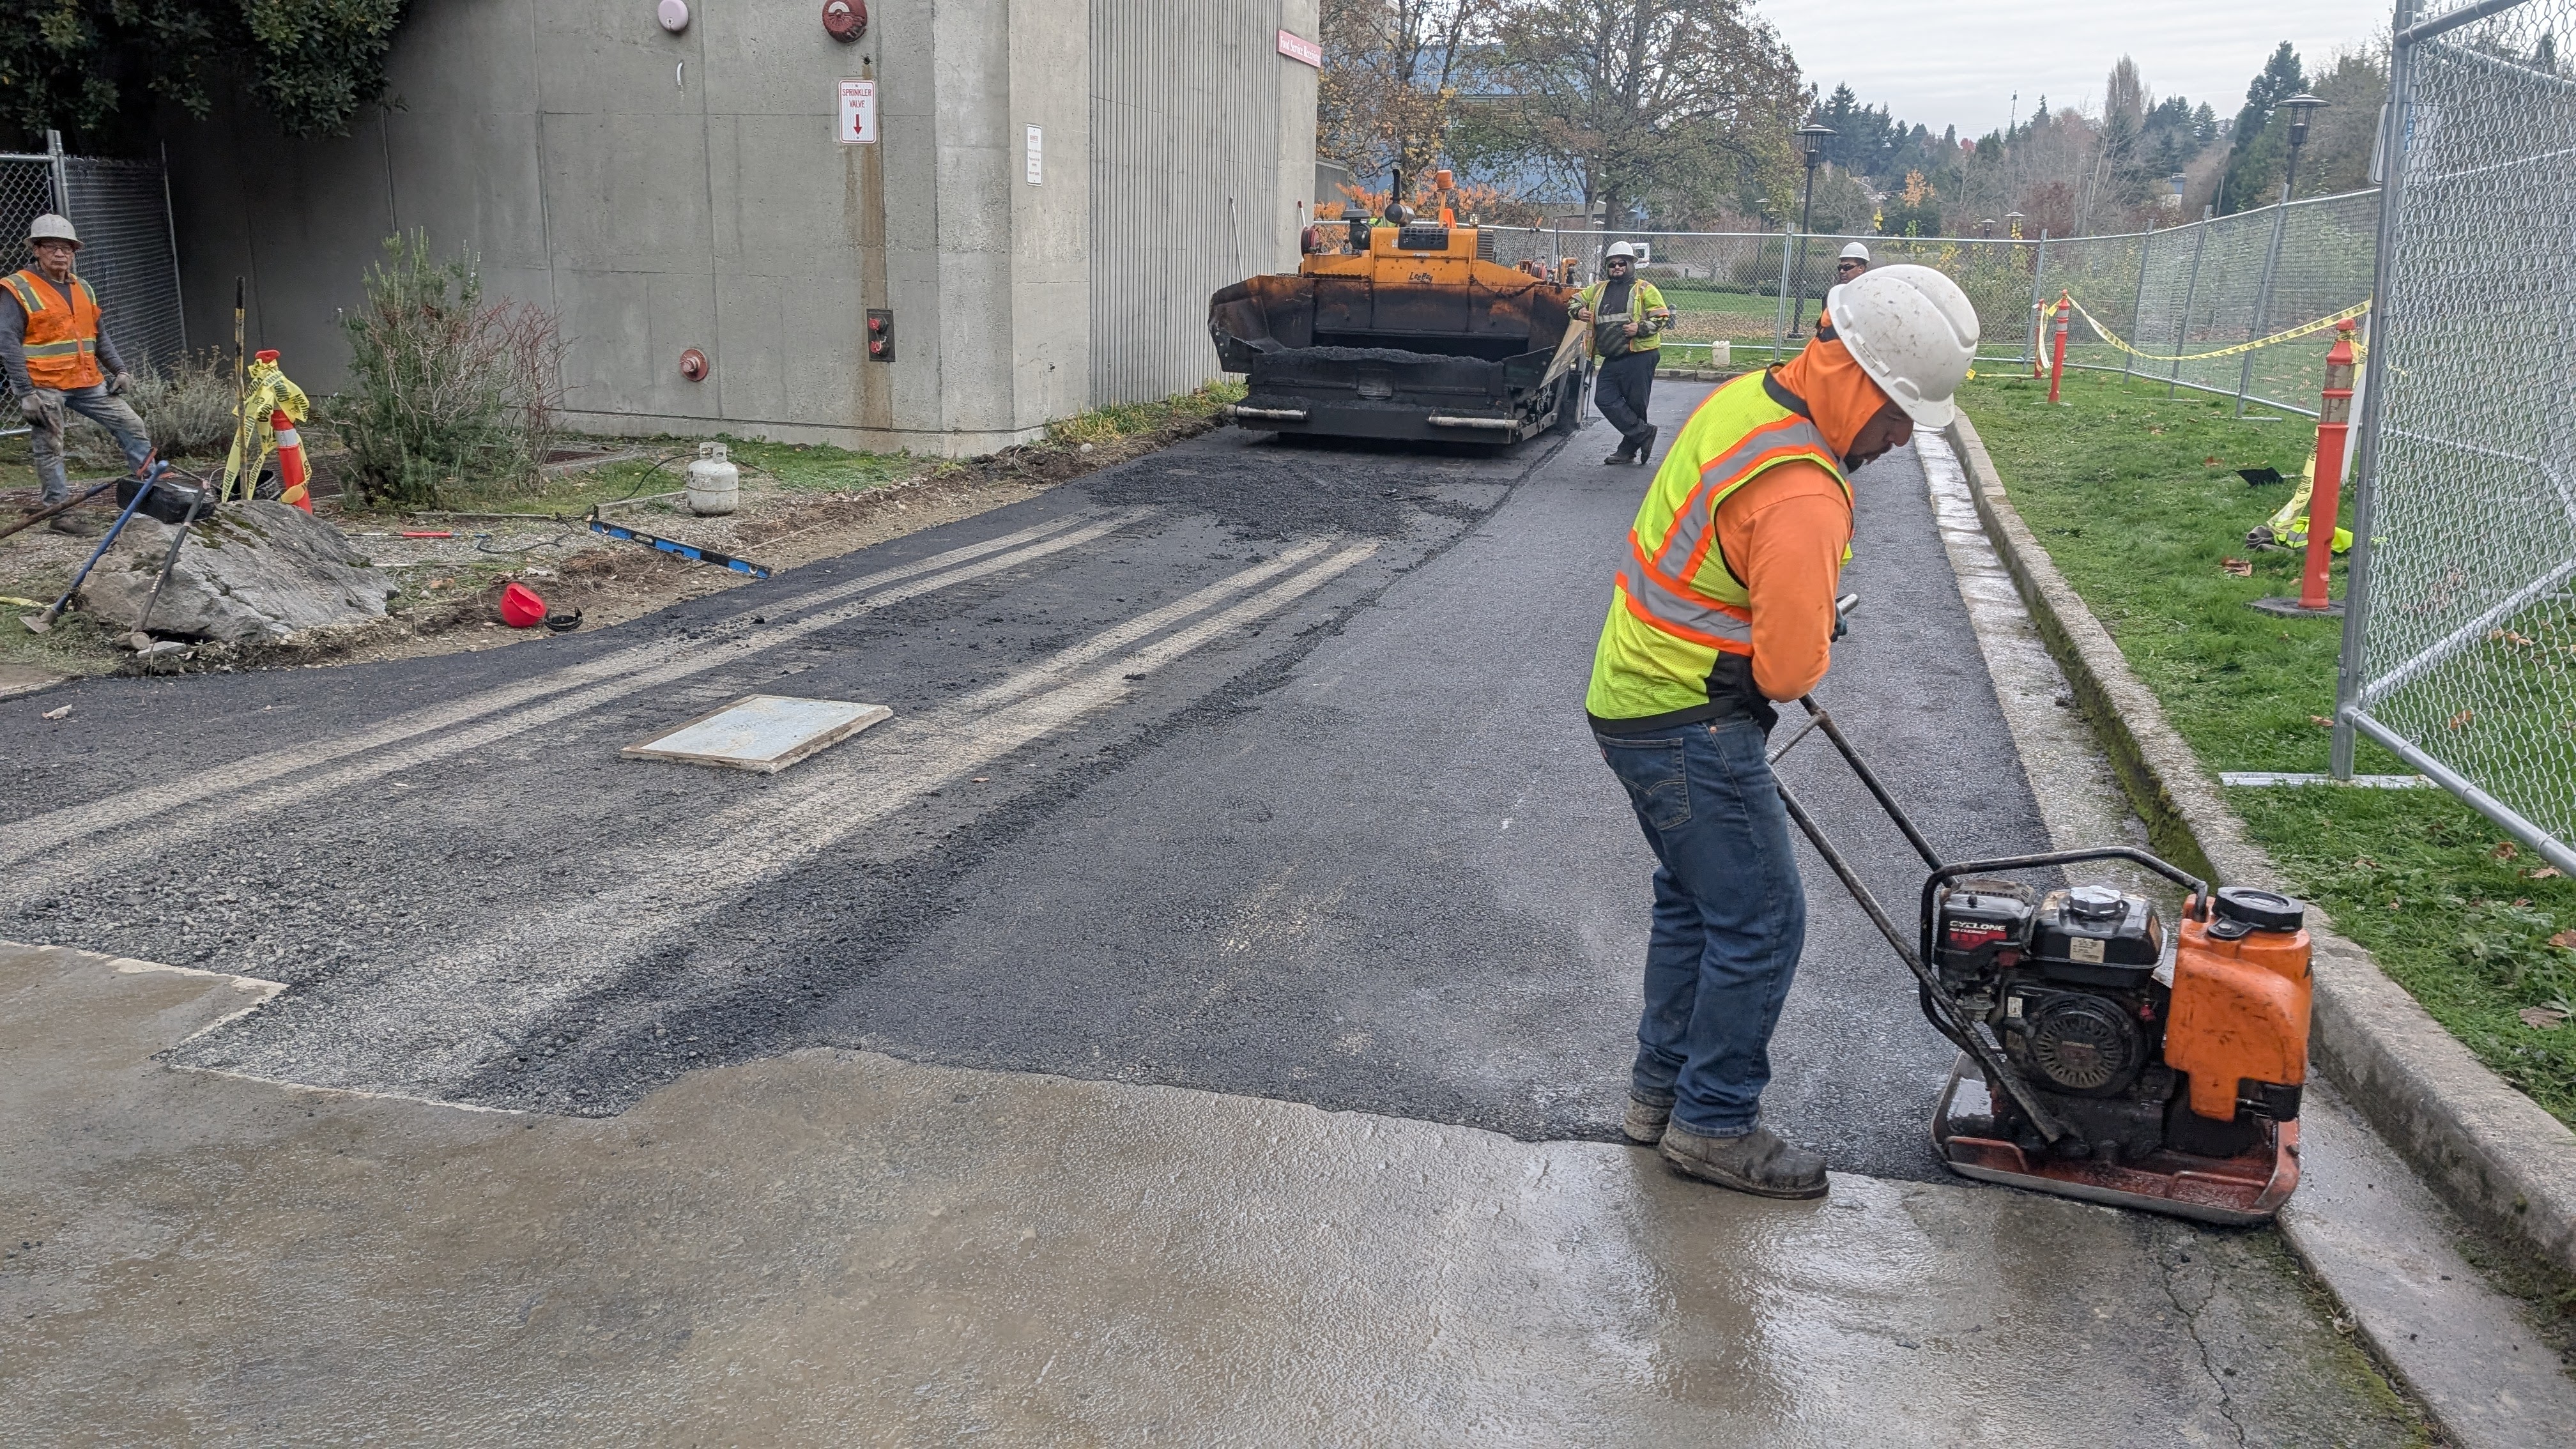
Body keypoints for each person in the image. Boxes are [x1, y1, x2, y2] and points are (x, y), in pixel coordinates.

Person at [1584, 264, 1979, 1200]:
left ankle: (1659, 1099)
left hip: (1633, 696)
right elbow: (1790, 671)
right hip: (1689, 718)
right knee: (1763, 921)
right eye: (1897, 419)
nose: (1892, 443)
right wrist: (1808, 619)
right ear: (1861, 380)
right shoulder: (1805, 490)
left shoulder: (1745, 402)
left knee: (1696, 905)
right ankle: (1714, 1123)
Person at [2, 214, 153, 535]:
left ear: (74, 252)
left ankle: (149, 494)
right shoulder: (17, 288)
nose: (60, 254)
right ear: (37, 250)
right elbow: (8, 342)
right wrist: (25, 394)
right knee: (50, 446)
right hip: (43, 385)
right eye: (52, 247)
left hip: (86, 381)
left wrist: (120, 369)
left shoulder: (82, 287)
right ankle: (59, 514)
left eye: (67, 248)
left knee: (132, 425)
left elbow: (97, 335)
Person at [1570, 241, 1672, 466]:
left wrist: (1640, 328)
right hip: (1612, 356)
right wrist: (1580, 311)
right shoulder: (1597, 290)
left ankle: (1627, 450)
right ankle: (1643, 433)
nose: (1617, 267)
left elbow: (1662, 316)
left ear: (1631, 264)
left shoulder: (1645, 289)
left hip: (1641, 355)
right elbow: (1573, 301)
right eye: (1612, 264)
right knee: (1603, 399)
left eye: (1622, 263)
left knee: (1636, 404)